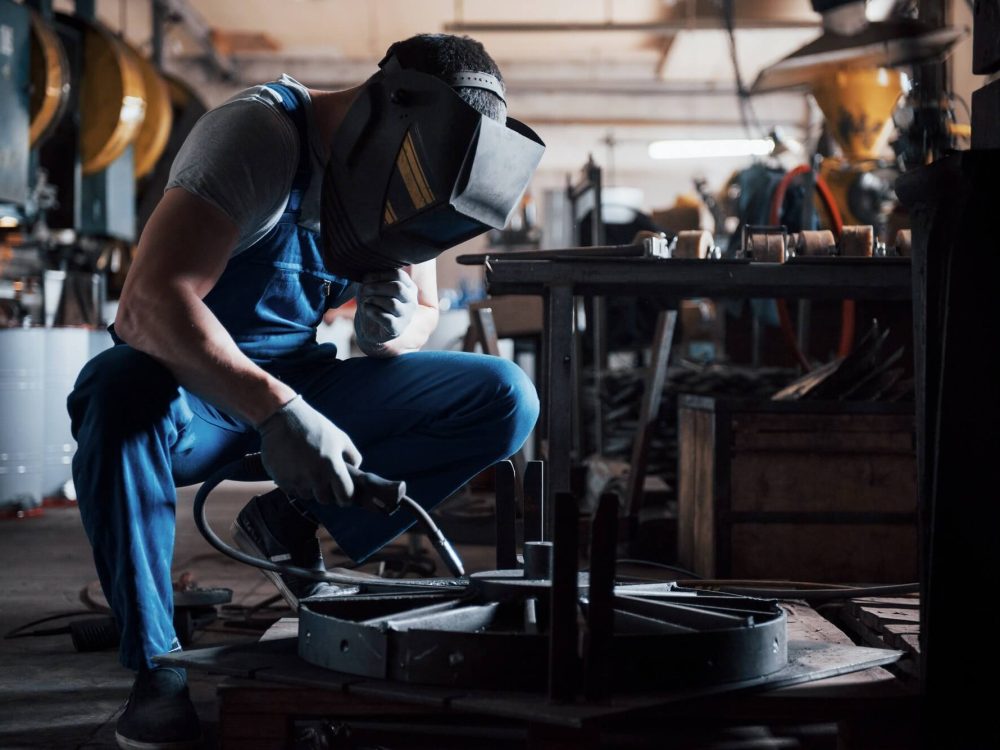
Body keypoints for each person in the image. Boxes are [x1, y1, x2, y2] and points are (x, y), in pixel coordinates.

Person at [67, 34, 539, 750]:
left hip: (305, 383)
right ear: (391, 108)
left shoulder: (417, 169)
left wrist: (394, 328)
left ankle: (286, 518)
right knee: (117, 388)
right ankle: (156, 664)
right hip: (192, 401)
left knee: (506, 396)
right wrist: (278, 410)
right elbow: (147, 305)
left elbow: (425, 308)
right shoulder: (255, 135)